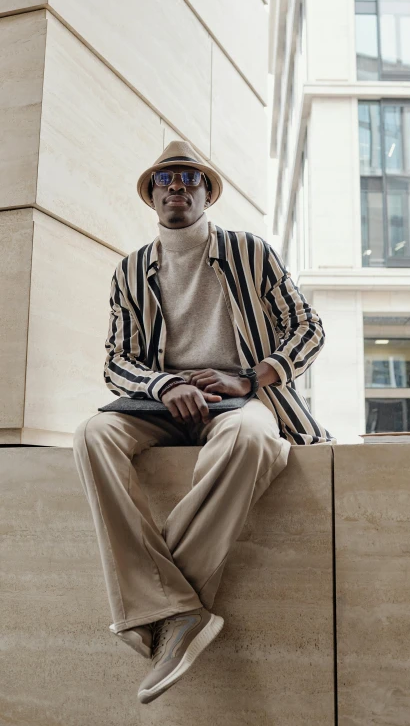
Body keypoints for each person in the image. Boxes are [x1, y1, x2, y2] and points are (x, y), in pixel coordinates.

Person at [72, 140, 336, 705]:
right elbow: (116, 361)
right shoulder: (130, 270)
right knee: (93, 434)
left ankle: (163, 610)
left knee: (251, 439)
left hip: (240, 401)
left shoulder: (249, 253)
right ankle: (183, 613)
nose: (177, 187)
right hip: (160, 406)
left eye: (189, 178)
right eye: (166, 179)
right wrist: (164, 384)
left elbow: (308, 328)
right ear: (151, 194)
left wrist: (252, 377)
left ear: (206, 194)